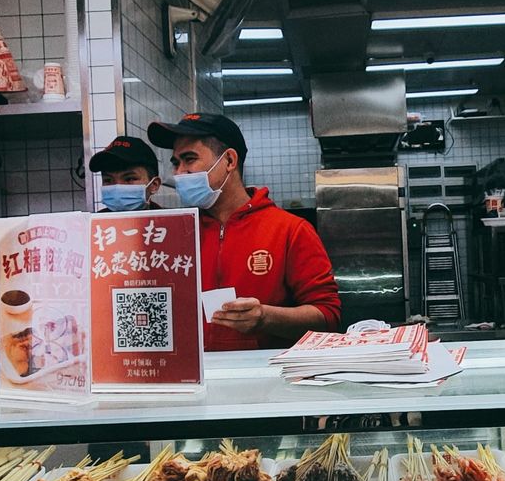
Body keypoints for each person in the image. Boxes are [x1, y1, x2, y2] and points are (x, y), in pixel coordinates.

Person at [147, 113, 341, 351]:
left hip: (266, 378)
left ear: (229, 160)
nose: (178, 174)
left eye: (189, 159)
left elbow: (328, 316)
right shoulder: (177, 235)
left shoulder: (290, 230)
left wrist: (265, 317)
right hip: (195, 377)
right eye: (176, 163)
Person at [89, 135, 163, 212]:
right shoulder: (92, 222)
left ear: (154, 185)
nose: (117, 186)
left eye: (129, 179)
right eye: (108, 180)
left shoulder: (170, 221)